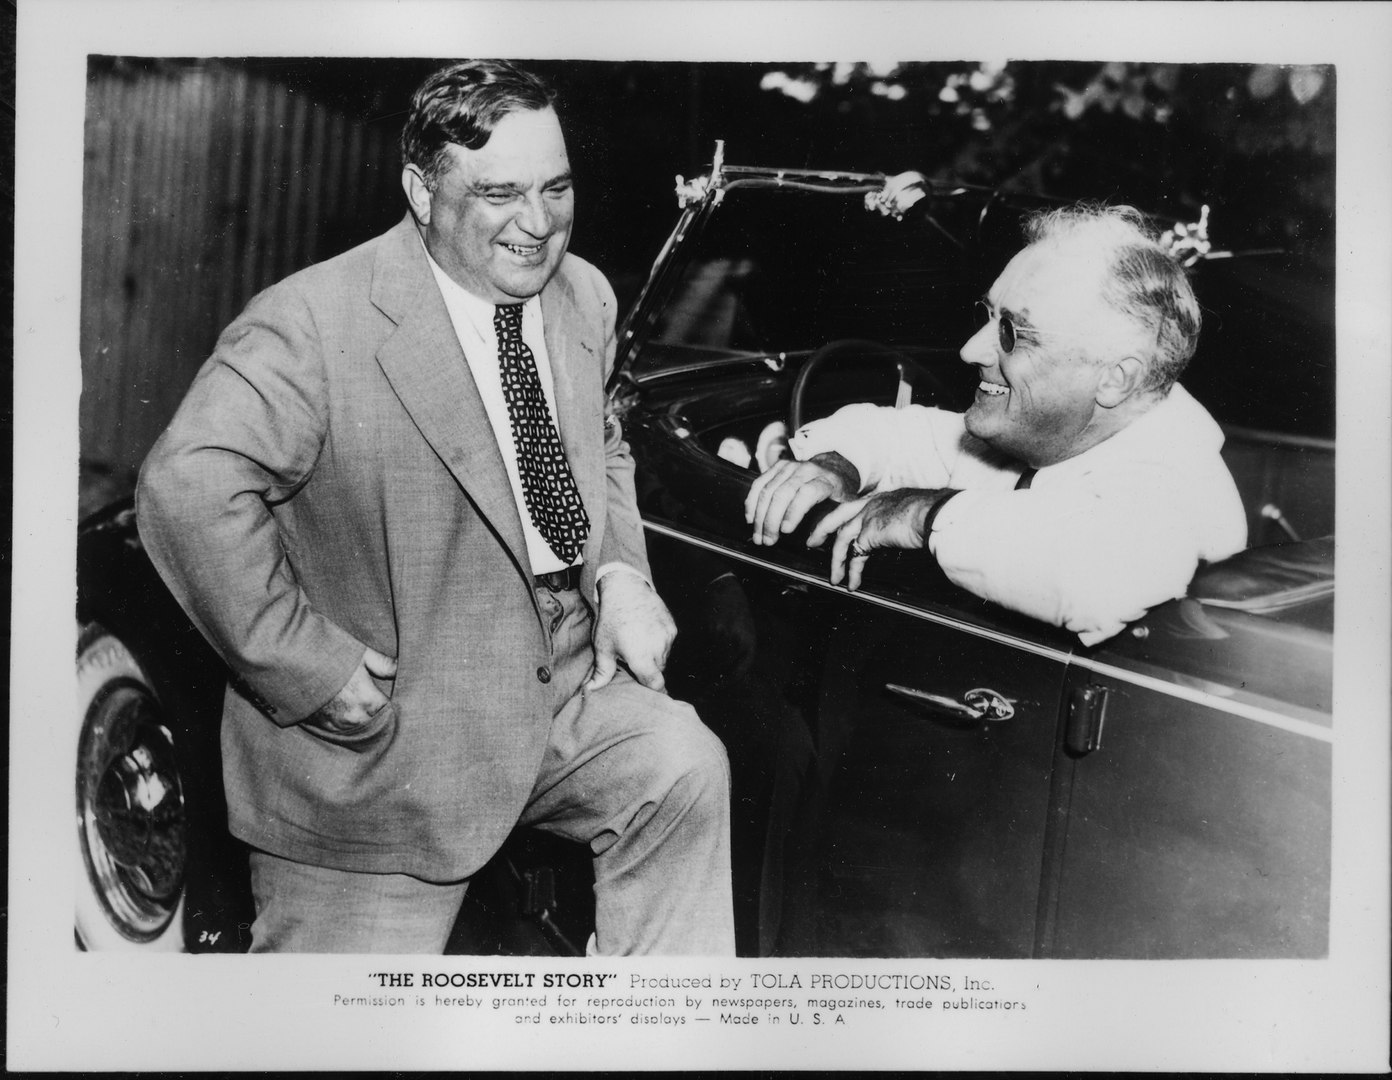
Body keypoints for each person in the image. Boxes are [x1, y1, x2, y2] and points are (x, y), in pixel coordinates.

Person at [136, 60, 734, 954]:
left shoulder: (585, 295)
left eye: (557, 188)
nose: (538, 225)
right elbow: (186, 488)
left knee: (683, 767)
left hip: (559, 693)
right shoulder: (312, 322)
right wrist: (306, 667)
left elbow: (600, 440)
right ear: (422, 190)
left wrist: (618, 574)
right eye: (500, 193)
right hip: (386, 751)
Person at [745, 198, 1247, 646]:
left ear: (1116, 378)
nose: (971, 350)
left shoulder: (1179, 485)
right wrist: (836, 465)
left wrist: (923, 515)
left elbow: (1098, 577)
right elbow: (906, 434)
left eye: (1013, 332)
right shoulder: (1061, 436)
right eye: (989, 315)